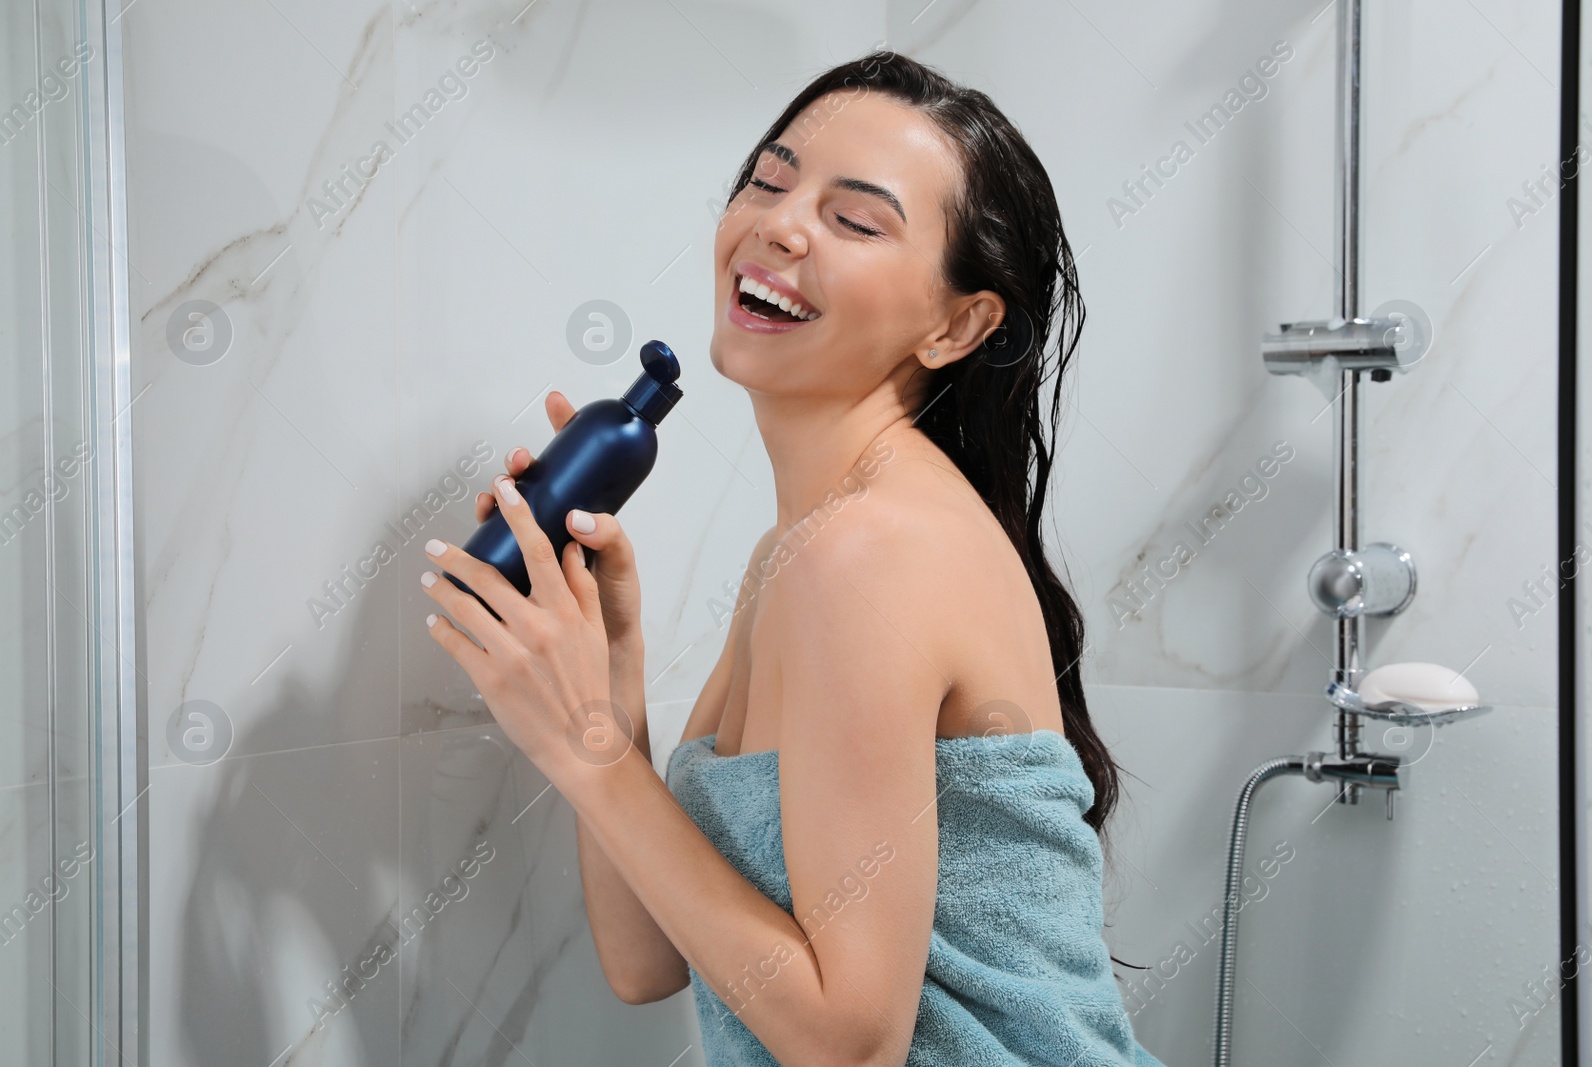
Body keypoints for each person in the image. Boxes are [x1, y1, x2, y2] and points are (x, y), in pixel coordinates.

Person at [420, 49, 1164, 1067]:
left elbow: (847, 1043)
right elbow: (646, 961)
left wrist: (581, 742)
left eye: (855, 220)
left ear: (957, 323)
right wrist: (612, 682)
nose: (778, 223)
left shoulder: (865, 554)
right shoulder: (800, 547)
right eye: (768, 182)